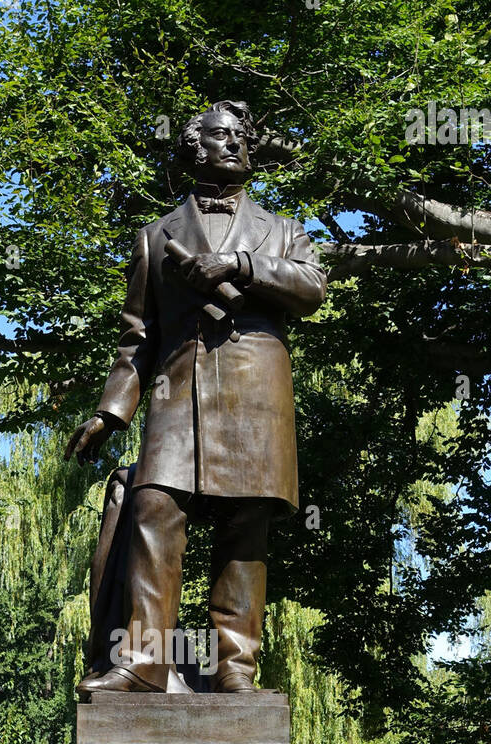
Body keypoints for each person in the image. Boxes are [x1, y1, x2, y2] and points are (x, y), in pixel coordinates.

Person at [66, 99, 327, 696]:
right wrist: (110, 412)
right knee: (153, 507)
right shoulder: (155, 237)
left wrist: (239, 265)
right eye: (221, 135)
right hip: (176, 395)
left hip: (256, 397)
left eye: (242, 137)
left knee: (245, 527)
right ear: (194, 146)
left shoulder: (282, 230)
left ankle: (235, 670)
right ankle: (143, 662)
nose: (235, 144)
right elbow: (138, 337)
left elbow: (312, 287)